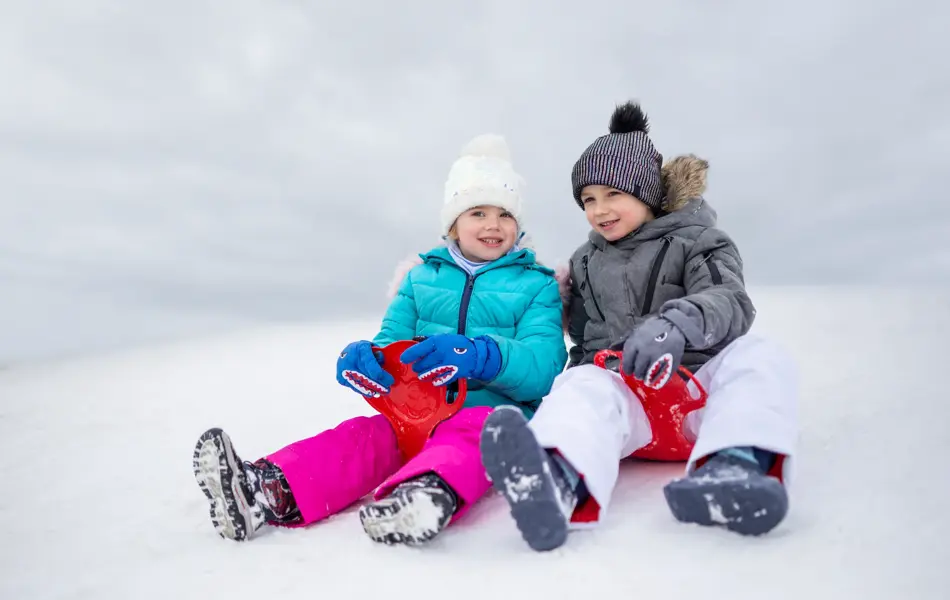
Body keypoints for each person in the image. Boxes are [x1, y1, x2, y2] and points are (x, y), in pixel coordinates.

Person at [192, 133, 567, 545]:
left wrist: (482, 356)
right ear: (453, 222)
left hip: (491, 415)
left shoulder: (536, 286)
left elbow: (543, 366)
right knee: (363, 437)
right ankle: (264, 491)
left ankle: (421, 497)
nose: (493, 225)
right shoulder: (421, 278)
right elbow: (392, 341)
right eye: (477, 211)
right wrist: (366, 359)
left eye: (505, 214)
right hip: (414, 411)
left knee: (468, 435)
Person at [479, 101, 799, 551]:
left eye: (613, 195)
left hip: (696, 400)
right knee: (583, 382)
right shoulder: (585, 261)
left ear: (646, 193)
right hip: (631, 409)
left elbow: (730, 301)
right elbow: (587, 341)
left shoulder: (699, 241)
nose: (599, 210)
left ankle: (734, 465)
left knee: (760, 355)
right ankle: (556, 478)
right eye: (588, 200)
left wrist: (677, 327)